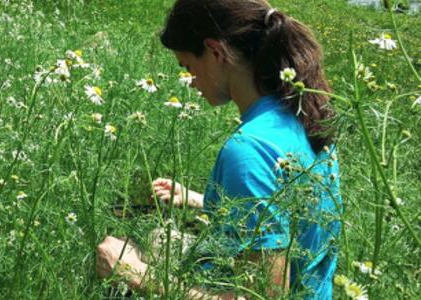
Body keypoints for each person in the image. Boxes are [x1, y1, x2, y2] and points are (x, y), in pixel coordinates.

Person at [96, 0, 342, 299]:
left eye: (188, 67)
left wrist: (135, 275)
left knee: (118, 257)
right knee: (157, 237)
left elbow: (265, 296)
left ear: (215, 52)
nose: (189, 83)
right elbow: (285, 211)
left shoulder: (248, 150)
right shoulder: (304, 115)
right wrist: (202, 200)